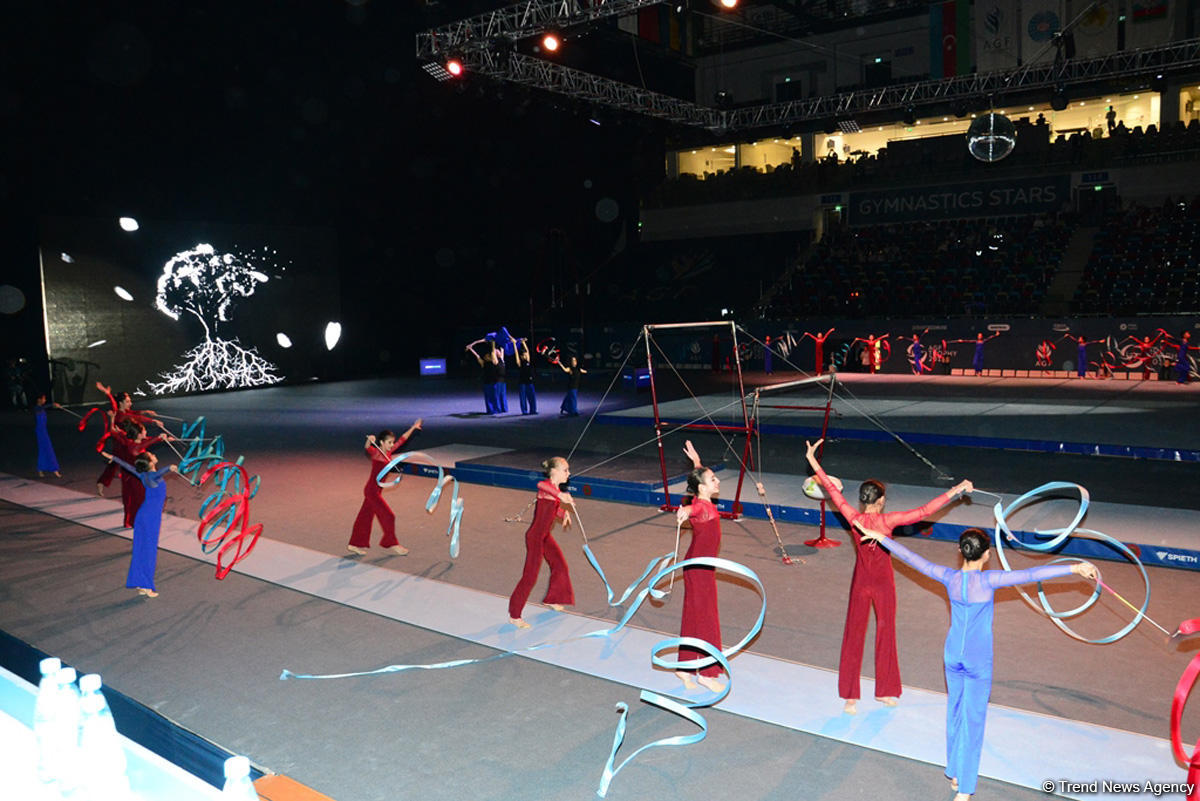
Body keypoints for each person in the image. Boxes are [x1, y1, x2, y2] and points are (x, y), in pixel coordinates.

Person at [854, 525, 1096, 801]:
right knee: (973, 721)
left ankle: (956, 773)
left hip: (951, 655)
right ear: (987, 555)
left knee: (955, 712)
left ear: (960, 551)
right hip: (977, 659)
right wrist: (1074, 568)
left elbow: (912, 559)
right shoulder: (990, 580)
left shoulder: (948, 577)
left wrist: (881, 537)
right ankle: (965, 790)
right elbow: (1030, 575)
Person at [805, 438, 974, 714]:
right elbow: (924, 512)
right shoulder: (888, 521)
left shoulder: (852, 517)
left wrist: (812, 460)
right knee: (886, 634)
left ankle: (850, 697)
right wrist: (957, 490)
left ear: (862, 500)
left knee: (853, 635)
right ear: (881, 501)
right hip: (883, 583)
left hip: (860, 582)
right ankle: (885, 692)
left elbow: (832, 491)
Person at [674, 441, 726, 692]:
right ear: (703, 487)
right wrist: (684, 510)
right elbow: (692, 509)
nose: (717, 482)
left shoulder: (701, 497)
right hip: (698, 567)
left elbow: (696, 493)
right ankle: (706, 672)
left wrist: (697, 461)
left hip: (701, 567)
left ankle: (684, 667)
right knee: (706, 618)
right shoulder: (698, 506)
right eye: (713, 479)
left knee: (694, 616)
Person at [100, 448, 180, 597]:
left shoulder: (143, 474)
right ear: (150, 463)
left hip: (143, 515)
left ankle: (140, 583)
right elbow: (159, 472)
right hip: (150, 518)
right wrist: (169, 467)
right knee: (149, 551)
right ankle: (147, 586)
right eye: (152, 455)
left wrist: (113, 457)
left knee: (140, 549)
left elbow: (127, 465)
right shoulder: (152, 476)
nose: (154, 454)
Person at [507, 457, 575, 628]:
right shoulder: (547, 487)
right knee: (530, 577)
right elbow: (541, 487)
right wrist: (561, 495)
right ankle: (514, 615)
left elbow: (550, 507)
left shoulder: (553, 490)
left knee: (560, 565)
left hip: (545, 537)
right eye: (565, 470)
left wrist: (562, 513)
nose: (569, 473)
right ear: (555, 472)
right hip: (536, 538)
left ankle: (553, 599)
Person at [347, 419, 422, 556]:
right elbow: (367, 447)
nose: (392, 445)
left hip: (376, 490)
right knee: (389, 516)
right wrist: (369, 440)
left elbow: (402, 440)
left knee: (365, 517)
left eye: (392, 442)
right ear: (381, 442)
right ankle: (391, 543)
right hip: (372, 491)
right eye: (389, 442)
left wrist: (413, 427)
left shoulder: (388, 452)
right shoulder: (376, 453)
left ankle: (354, 544)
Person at [465, 339, 500, 414]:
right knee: (487, 397)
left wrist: (493, 344)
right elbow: (477, 355)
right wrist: (470, 348)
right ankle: (490, 410)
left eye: (488, 355)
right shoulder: (483, 363)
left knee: (494, 396)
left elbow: (493, 352)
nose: (486, 356)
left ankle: (496, 409)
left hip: (493, 381)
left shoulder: (494, 361)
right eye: (485, 356)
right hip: (486, 381)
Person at [34, 394, 63, 478]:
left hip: (43, 431)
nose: (45, 400)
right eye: (43, 399)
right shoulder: (37, 408)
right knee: (48, 449)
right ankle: (54, 469)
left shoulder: (41, 408)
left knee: (44, 450)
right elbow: (40, 408)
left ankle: (40, 469)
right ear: (39, 400)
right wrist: (53, 404)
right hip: (40, 432)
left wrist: (56, 406)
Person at [510, 334, 538, 415]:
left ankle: (533, 410)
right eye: (524, 355)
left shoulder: (528, 361)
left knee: (532, 397)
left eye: (526, 354)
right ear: (521, 356)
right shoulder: (520, 363)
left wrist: (523, 342)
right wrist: (515, 344)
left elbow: (527, 350)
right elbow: (516, 354)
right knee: (523, 398)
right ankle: (524, 411)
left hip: (530, 382)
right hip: (522, 383)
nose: (526, 355)